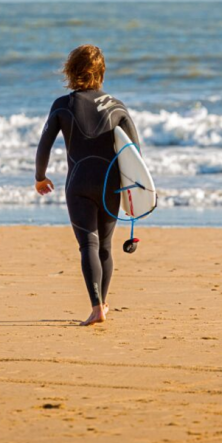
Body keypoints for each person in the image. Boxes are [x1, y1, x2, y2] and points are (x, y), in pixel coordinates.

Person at [34, 45, 141, 326]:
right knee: (105, 247)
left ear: (70, 71)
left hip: (79, 184)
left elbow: (44, 144)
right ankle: (102, 303)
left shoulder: (62, 105)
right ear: (101, 71)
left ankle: (96, 308)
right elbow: (135, 154)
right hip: (110, 186)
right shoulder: (117, 106)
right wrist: (134, 194)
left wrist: (40, 177)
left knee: (88, 246)